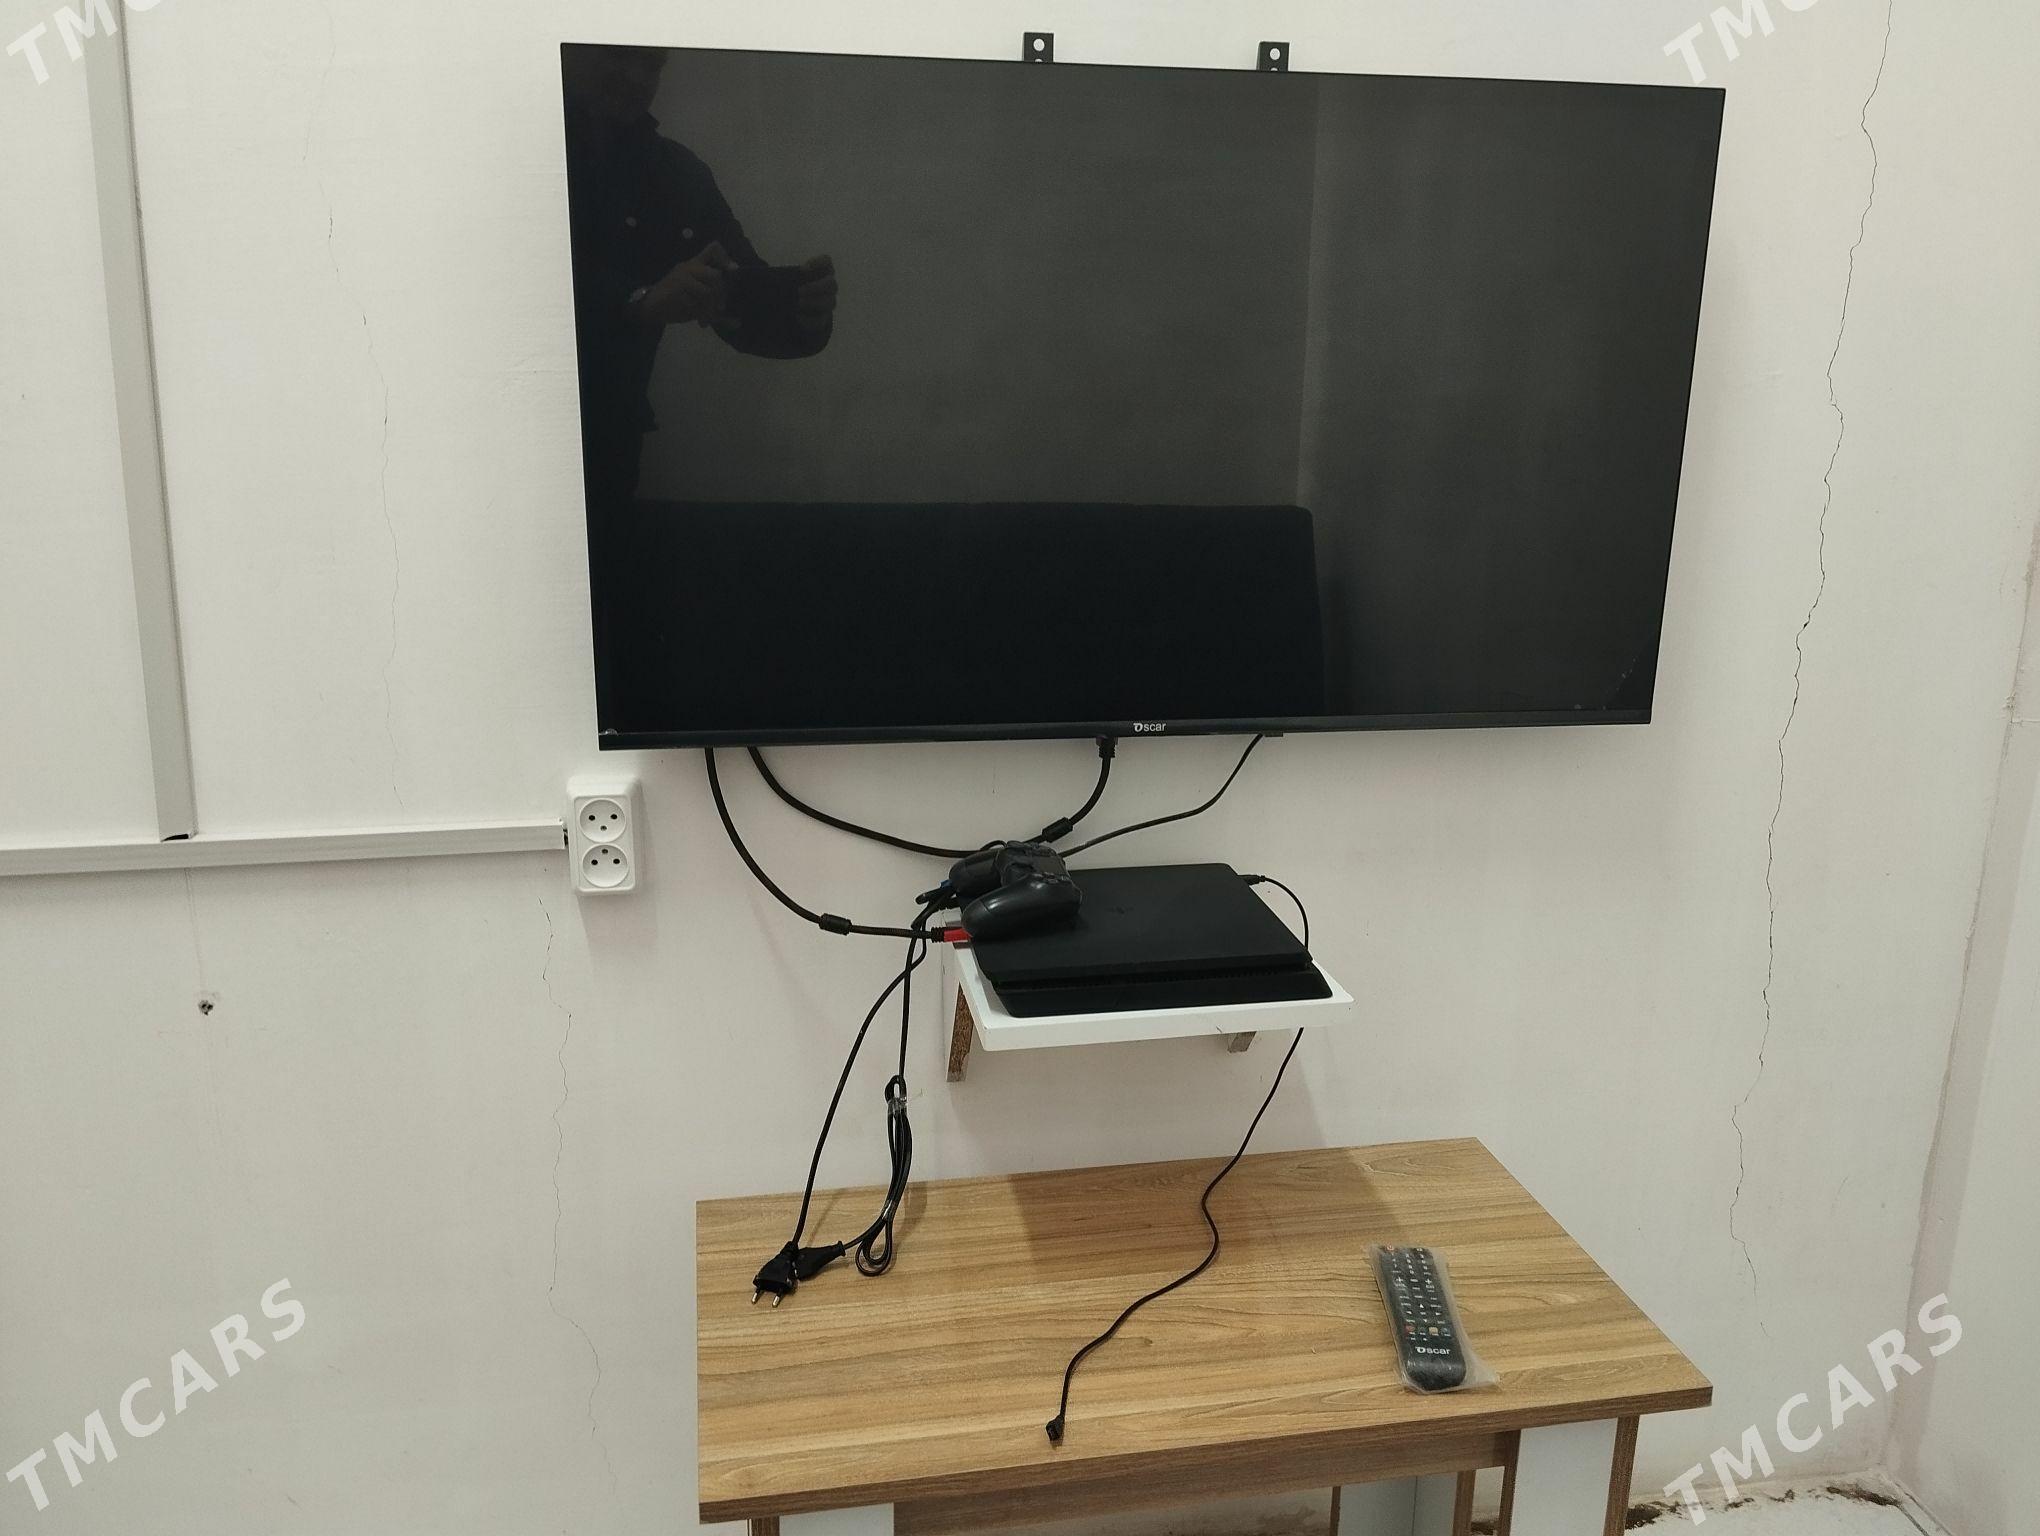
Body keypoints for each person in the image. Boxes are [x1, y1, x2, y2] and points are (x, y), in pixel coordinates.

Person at [562, 45, 838, 504]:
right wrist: (637, 300)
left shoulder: (675, 173)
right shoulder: (512, 150)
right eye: (619, 55)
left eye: (653, 63)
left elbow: (744, 296)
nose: (638, 77)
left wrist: (804, 314)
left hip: (609, 451)